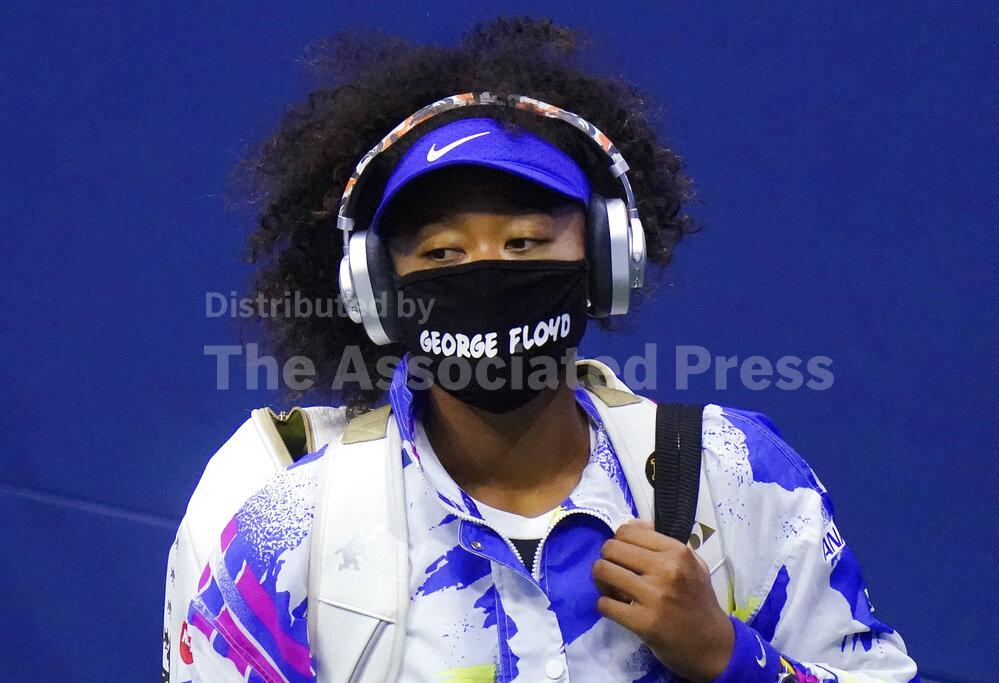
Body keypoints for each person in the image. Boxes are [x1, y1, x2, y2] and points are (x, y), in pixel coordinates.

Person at [167, 18, 918, 683]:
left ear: (605, 258)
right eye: (442, 253)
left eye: (525, 241)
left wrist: (729, 656)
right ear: (376, 292)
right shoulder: (289, 532)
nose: (486, 271)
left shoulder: (732, 476)